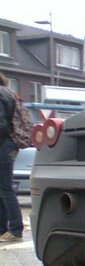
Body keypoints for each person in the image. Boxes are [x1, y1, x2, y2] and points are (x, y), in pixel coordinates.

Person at [0, 72, 24, 242]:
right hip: (9, 143)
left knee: (5, 188)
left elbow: (1, 123)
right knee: (2, 188)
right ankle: (3, 229)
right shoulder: (7, 91)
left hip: (4, 143)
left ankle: (15, 229)